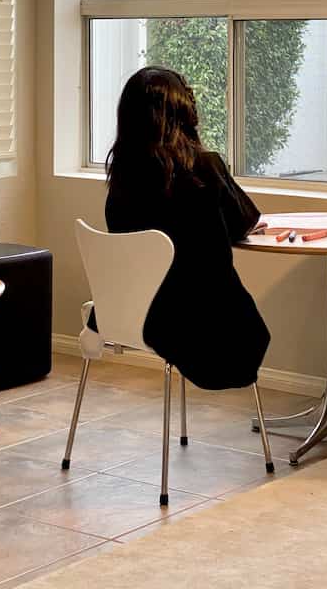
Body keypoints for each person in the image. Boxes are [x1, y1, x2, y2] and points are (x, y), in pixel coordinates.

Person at [99, 66, 270, 390]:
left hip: (141, 314)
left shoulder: (122, 176)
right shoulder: (205, 167)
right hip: (215, 329)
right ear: (184, 114)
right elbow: (244, 222)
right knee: (250, 334)